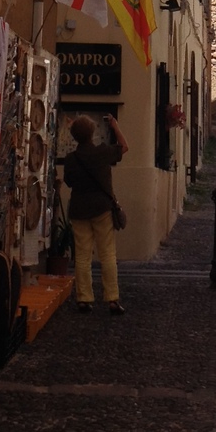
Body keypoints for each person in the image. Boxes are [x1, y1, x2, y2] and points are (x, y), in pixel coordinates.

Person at [62, 113, 128, 314]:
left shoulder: (71, 159)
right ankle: (112, 299)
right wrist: (115, 127)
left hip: (79, 209)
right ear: (93, 134)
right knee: (107, 253)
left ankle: (84, 298)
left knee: (82, 255)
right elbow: (124, 147)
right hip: (101, 208)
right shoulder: (102, 152)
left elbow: (69, 182)